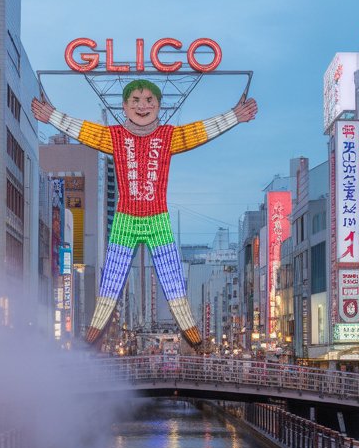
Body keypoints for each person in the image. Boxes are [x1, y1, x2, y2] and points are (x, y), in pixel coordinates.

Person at [32, 80, 257, 347]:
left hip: (156, 216)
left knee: (172, 278)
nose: (143, 106)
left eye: (149, 100)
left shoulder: (167, 136)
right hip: (126, 217)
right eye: (136, 100)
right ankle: (94, 331)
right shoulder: (114, 136)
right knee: (112, 282)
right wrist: (52, 116)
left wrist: (234, 115)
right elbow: (83, 129)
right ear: (125, 107)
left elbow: (200, 131)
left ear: (159, 106)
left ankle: (191, 333)